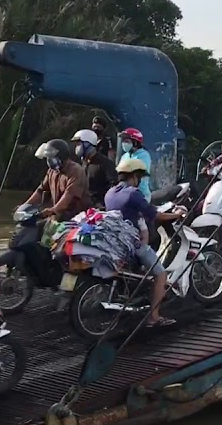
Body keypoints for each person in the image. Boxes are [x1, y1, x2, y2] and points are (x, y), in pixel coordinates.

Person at [105, 157, 185, 327]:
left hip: (116, 242)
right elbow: (155, 215)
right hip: (133, 244)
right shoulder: (134, 194)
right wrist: (177, 215)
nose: (139, 180)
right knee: (160, 273)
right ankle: (154, 317)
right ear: (134, 176)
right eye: (139, 177)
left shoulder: (110, 193)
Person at [25, 139, 90, 222]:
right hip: (59, 214)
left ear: (61, 156)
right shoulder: (52, 171)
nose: (49, 160)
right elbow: (40, 191)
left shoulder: (76, 171)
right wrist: (25, 206)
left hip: (77, 217)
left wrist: (53, 209)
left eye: (51, 157)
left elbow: (69, 196)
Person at [73, 128, 113, 207]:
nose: (77, 147)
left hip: (101, 208)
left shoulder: (105, 163)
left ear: (88, 144)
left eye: (78, 144)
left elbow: (113, 185)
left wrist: (102, 203)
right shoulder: (84, 163)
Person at [117, 128, 152, 199]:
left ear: (135, 143)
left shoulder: (143, 155)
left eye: (127, 141)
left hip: (140, 194)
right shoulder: (125, 156)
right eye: (123, 141)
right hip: (124, 193)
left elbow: (140, 177)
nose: (124, 144)